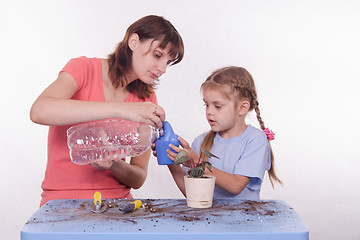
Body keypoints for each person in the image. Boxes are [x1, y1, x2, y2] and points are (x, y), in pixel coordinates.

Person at [30, 15, 184, 206]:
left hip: (117, 204)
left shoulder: (146, 97)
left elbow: (138, 178)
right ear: (134, 42)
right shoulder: (83, 69)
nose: (162, 68)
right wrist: (122, 110)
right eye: (158, 55)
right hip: (62, 201)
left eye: (168, 62)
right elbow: (39, 111)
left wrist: (113, 164)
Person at [163, 66, 282, 199]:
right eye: (206, 105)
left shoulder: (256, 140)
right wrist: (170, 161)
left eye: (217, 106)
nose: (209, 111)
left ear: (242, 108)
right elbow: (194, 195)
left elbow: (236, 186)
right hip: (210, 219)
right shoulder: (200, 142)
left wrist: (197, 163)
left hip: (245, 219)